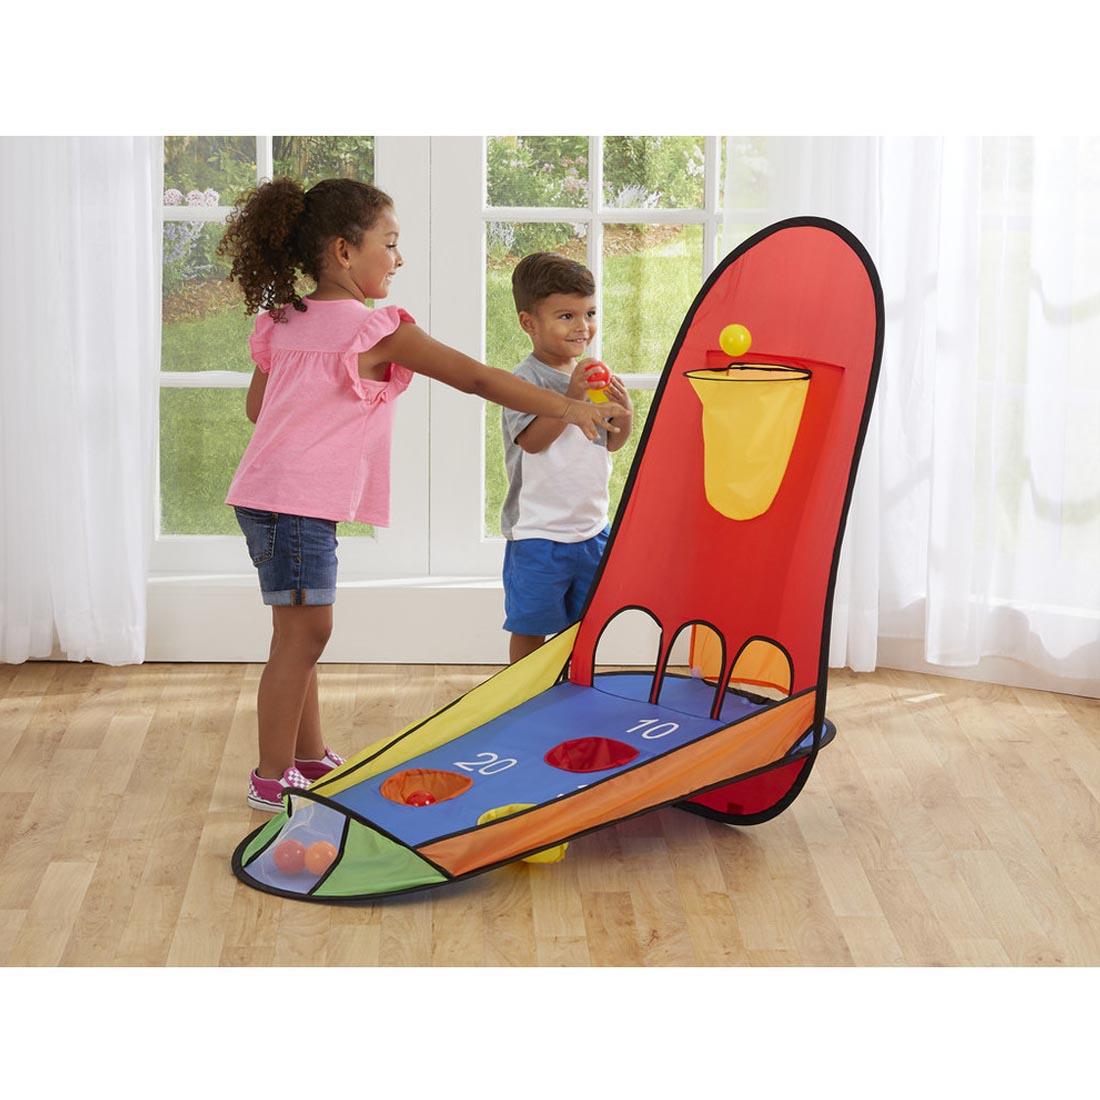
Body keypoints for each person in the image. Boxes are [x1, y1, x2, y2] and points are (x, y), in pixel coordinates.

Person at [217, 178, 625, 812]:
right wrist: (567, 406)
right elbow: (476, 378)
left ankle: (307, 755)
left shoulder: (281, 320)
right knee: (303, 636)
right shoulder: (374, 329)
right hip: (294, 505)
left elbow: (256, 410)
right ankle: (273, 779)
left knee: (298, 633)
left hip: (268, 498)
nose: (398, 259)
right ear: (344, 251)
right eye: (391, 243)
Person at [500, 252, 634, 664]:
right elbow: (534, 442)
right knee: (531, 623)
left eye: (589, 313)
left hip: (591, 528)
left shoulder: (592, 377)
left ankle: (571, 687)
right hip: (539, 533)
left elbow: (611, 442)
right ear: (529, 323)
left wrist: (624, 412)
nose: (582, 327)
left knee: (583, 623)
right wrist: (571, 397)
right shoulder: (525, 381)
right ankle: (521, 693)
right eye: (566, 316)